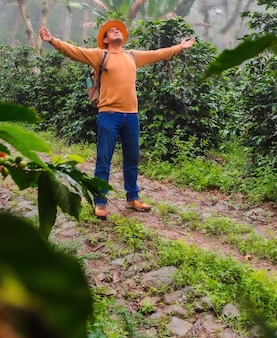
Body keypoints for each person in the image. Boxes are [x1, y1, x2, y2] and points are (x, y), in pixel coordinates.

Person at [39, 20, 195, 220]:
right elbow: (74, 51)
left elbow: (157, 54)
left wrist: (179, 48)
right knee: (104, 159)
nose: (116, 31)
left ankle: (133, 198)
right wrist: (52, 40)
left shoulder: (133, 56)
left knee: (132, 158)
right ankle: (100, 202)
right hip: (109, 114)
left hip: (131, 115)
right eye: (111, 31)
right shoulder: (99, 55)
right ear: (105, 39)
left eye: (118, 30)